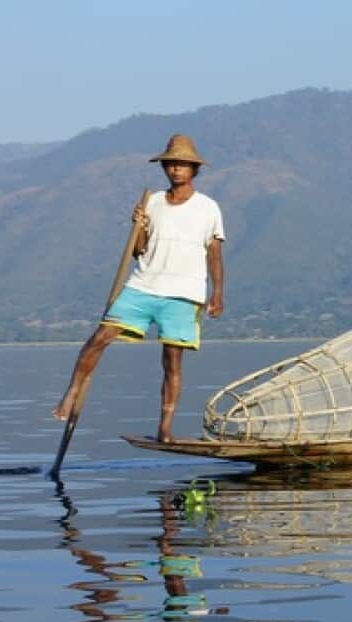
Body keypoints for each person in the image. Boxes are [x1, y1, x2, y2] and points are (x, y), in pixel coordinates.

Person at [52, 134, 226, 443]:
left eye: (183, 165)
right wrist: (138, 226)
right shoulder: (152, 202)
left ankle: (165, 427)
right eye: (171, 164)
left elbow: (214, 254)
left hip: (184, 293)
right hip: (144, 285)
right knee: (99, 338)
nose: (176, 170)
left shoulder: (208, 207)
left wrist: (217, 294)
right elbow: (139, 251)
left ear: (194, 170)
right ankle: (71, 393)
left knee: (172, 360)